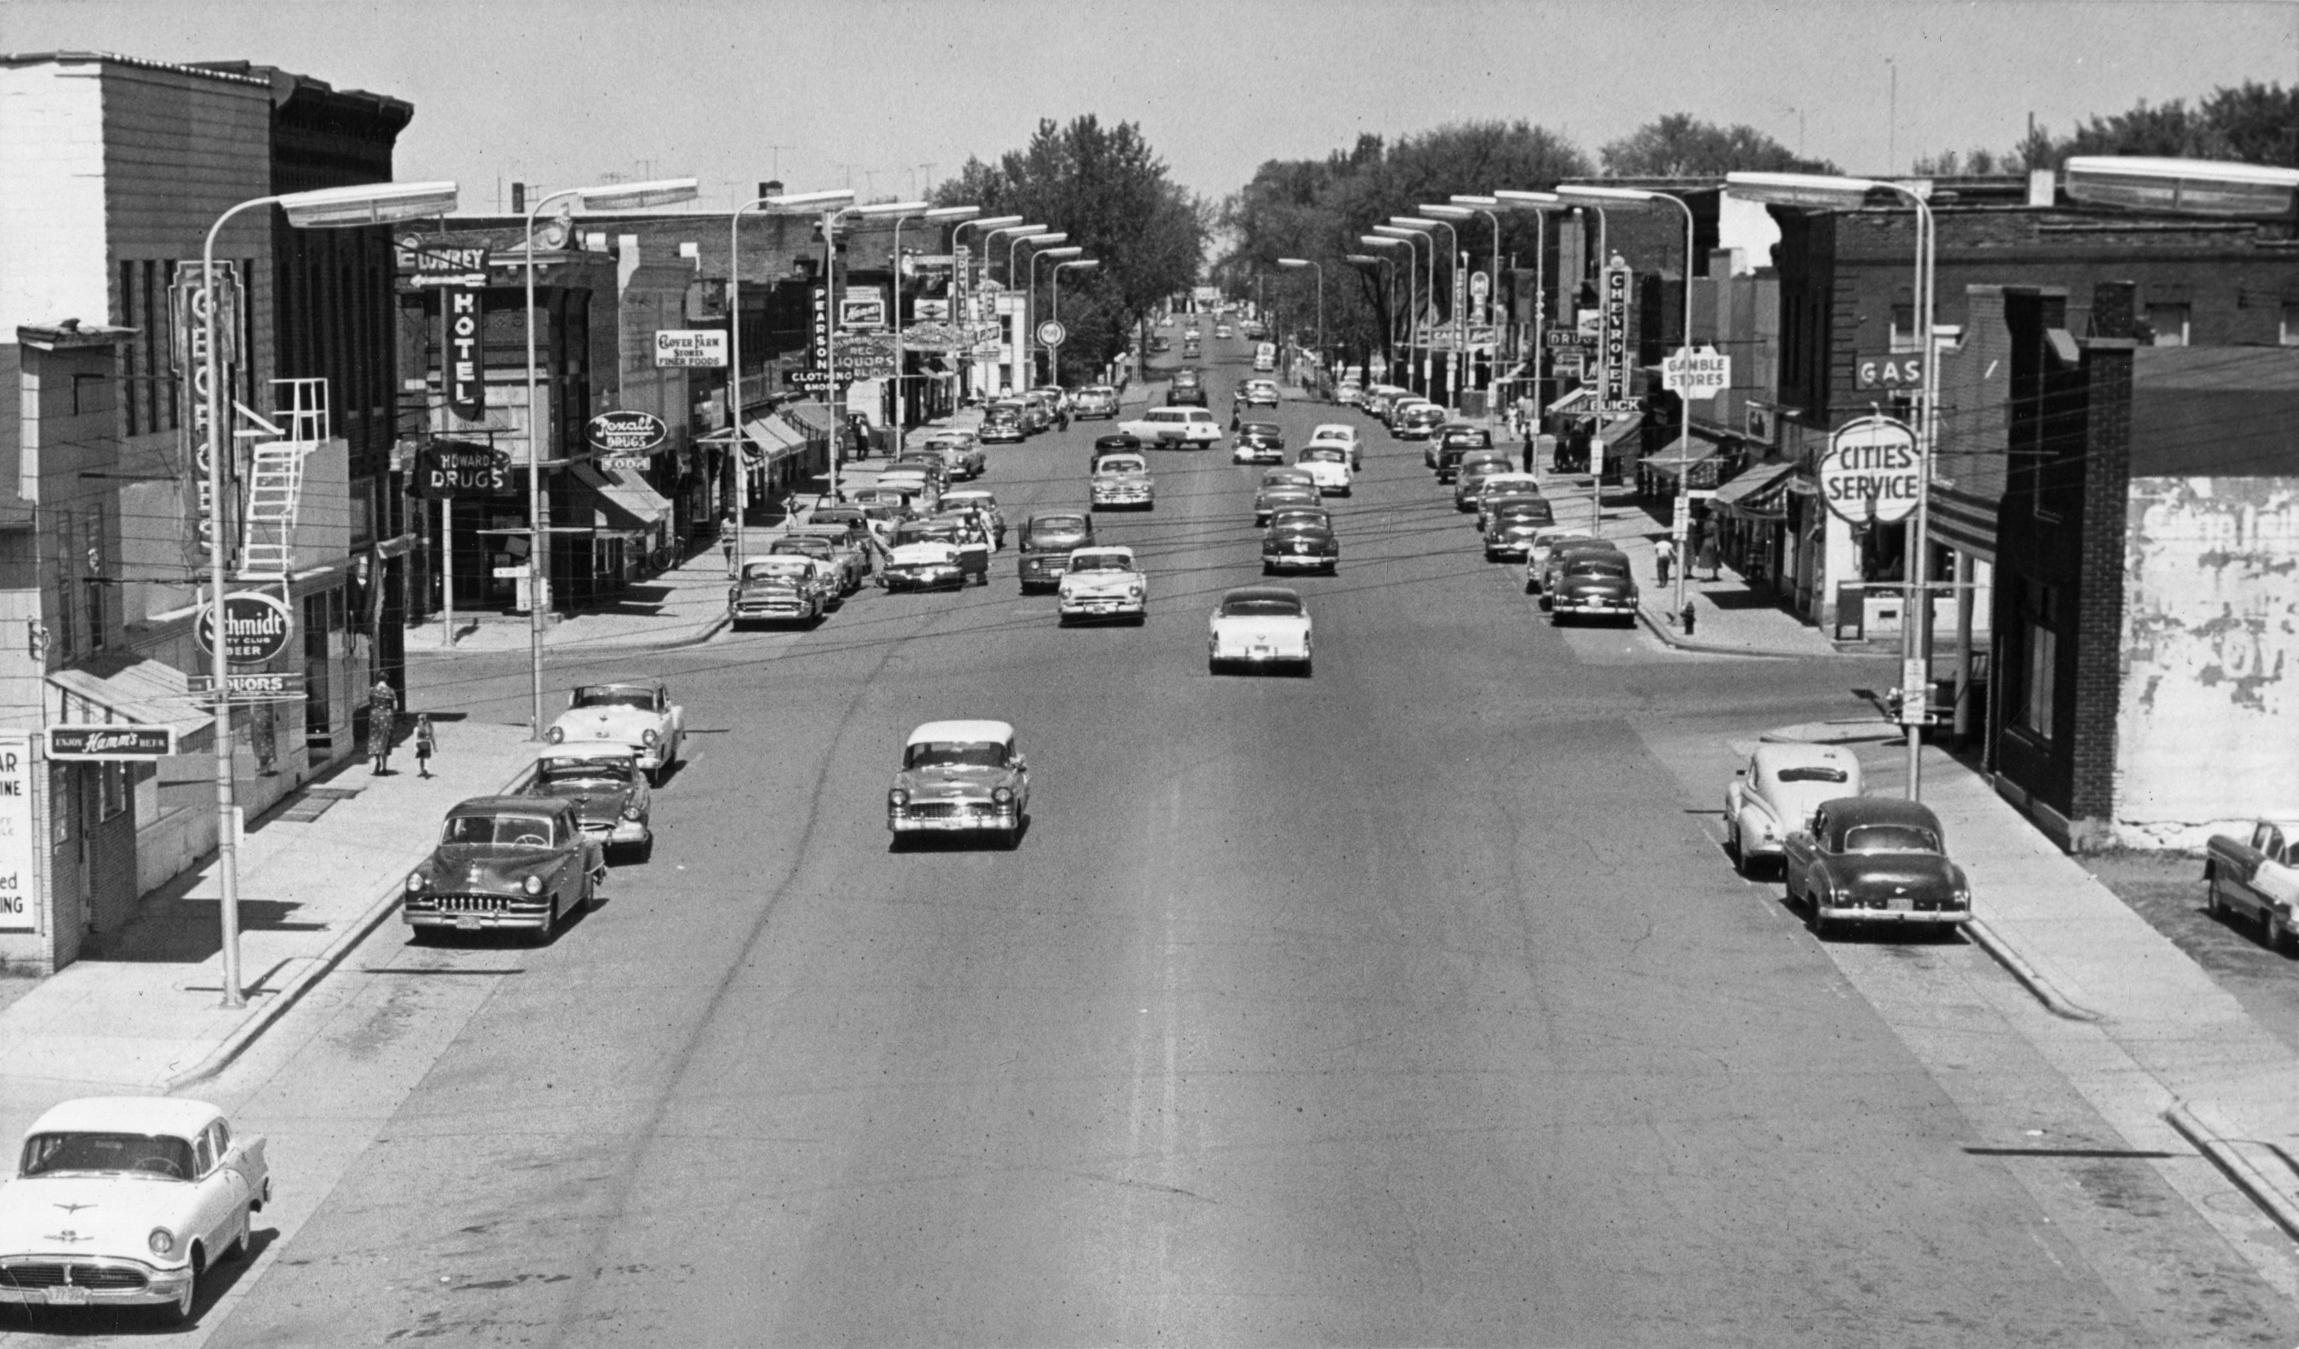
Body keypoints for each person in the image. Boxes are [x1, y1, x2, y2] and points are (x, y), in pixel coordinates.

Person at [369, 678, 397, 775]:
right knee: (385, 739)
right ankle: (384, 768)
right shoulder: (390, 691)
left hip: (375, 716)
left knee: (375, 739)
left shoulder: (372, 690)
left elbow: (371, 703)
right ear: (386, 679)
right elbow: (396, 707)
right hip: (386, 717)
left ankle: (377, 761)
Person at [414, 713, 436, 779]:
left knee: (426, 757)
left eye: (422, 719)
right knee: (421, 758)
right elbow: (415, 738)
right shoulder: (417, 728)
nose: (421, 720)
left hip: (425, 743)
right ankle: (422, 771)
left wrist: (434, 746)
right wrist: (415, 747)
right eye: (420, 719)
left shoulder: (428, 727)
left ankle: (425, 769)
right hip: (420, 743)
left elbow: (431, 736)